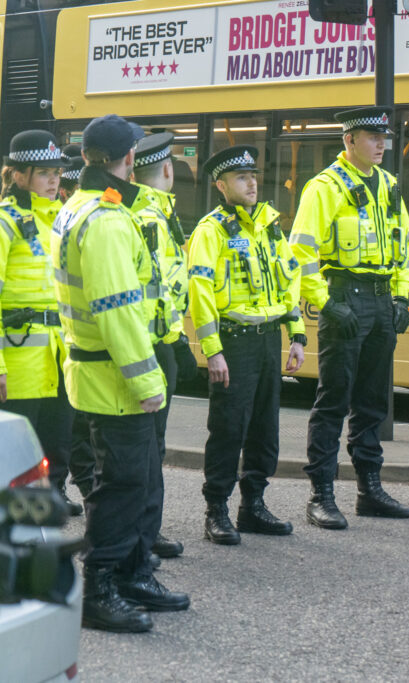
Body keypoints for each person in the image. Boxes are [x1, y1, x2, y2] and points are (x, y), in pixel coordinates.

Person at [53, 114, 188, 633]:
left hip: (98, 373)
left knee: (131, 477)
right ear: (130, 159)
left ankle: (132, 573)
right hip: (116, 379)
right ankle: (100, 588)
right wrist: (148, 381)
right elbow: (117, 310)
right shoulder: (108, 219)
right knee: (123, 485)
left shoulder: (80, 204)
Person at [290, 107, 409, 529]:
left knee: (373, 403)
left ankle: (369, 490)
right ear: (349, 141)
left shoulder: (389, 185)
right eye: (371, 137)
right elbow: (301, 252)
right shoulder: (323, 188)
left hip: (381, 301)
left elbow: (404, 245)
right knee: (333, 401)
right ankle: (321, 495)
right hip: (345, 298)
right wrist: (326, 303)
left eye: (384, 137)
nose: (381, 144)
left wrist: (400, 298)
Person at [188, 145, 305, 545]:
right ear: (222, 186)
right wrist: (213, 349)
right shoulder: (211, 230)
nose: (252, 182)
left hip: (269, 339)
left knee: (264, 429)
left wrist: (298, 334)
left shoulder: (271, 226)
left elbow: (289, 282)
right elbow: (200, 292)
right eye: (242, 178)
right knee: (227, 428)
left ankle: (253, 505)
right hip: (234, 343)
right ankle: (216, 509)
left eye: (253, 175)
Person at [0, 130, 77, 514]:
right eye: (44, 172)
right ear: (18, 175)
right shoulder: (5, 223)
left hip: (58, 353)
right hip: (18, 361)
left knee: (58, 435)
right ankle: (14, 506)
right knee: (18, 442)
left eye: (57, 172)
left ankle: (52, 492)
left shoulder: (58, 222)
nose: (54, 180)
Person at [130, 131, 196, 559]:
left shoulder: (152, 214)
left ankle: (146, 532)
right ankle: (143, 535)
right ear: (168, 170)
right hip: (151, 348)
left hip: (159, 344)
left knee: (150, 446)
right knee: (148, 447)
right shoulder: (151, 219)